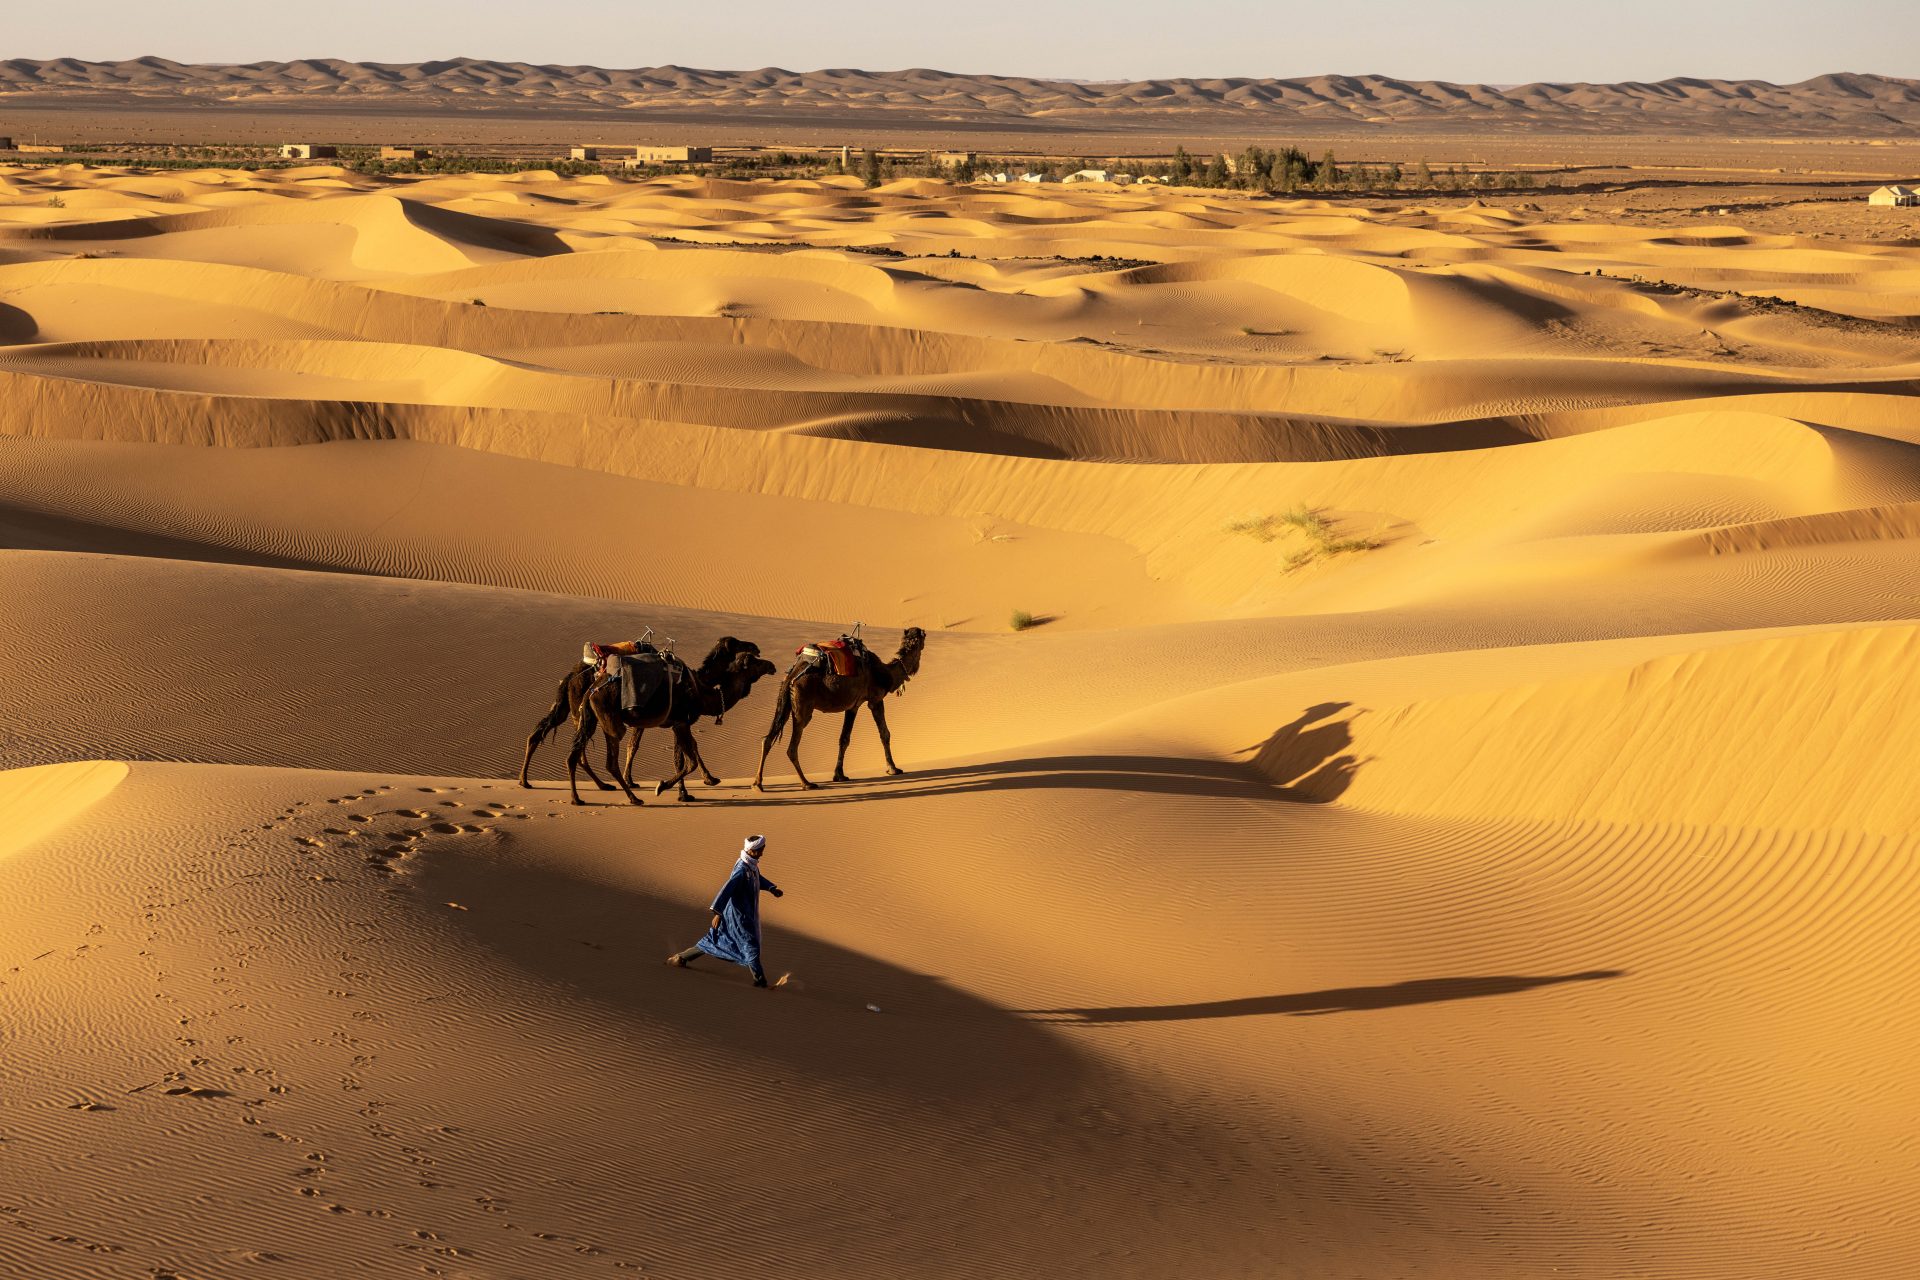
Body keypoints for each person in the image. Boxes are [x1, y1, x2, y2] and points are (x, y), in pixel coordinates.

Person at [667, 834, 784, 987]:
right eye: (761, 849)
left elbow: (757, 878)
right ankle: (760, 981)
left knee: (715, 939)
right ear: (752, 851)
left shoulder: (751, 865)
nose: (762, 852)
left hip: (744, 913)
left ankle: (681, 958)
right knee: (751, 945)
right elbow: (727, 890)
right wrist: (717, 913)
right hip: (739, 916)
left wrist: (771, 888)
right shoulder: (742, 869)